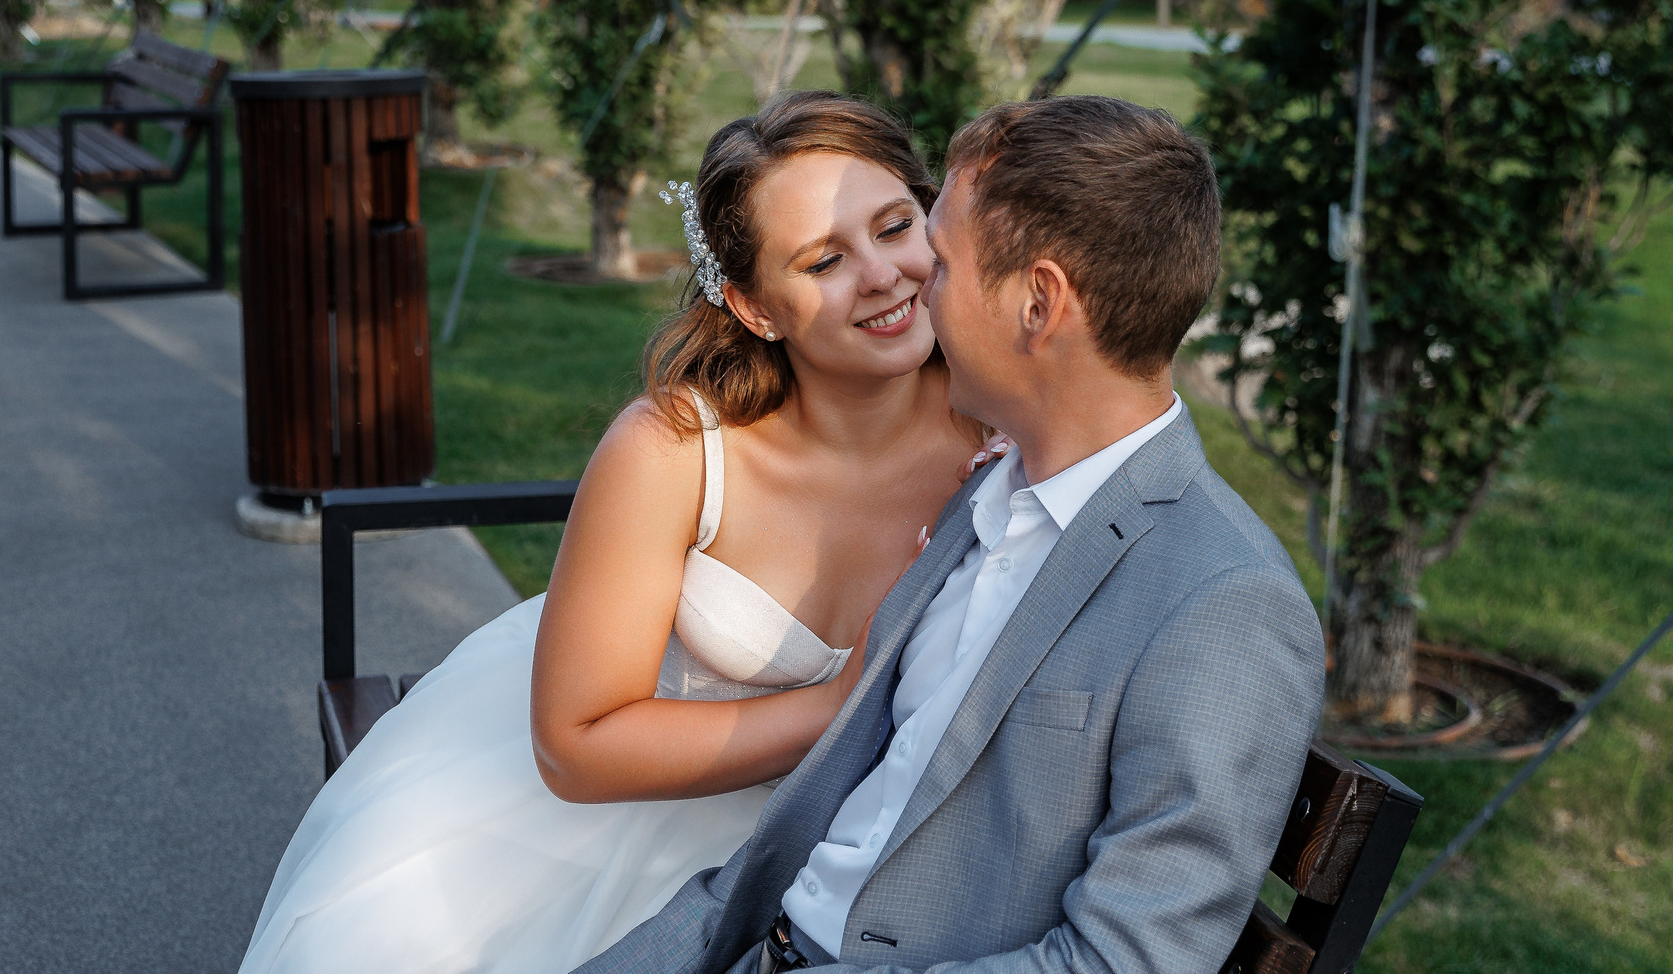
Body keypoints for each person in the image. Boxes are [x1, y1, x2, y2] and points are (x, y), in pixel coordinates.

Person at [238, 92, 988, 974]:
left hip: (880, 841)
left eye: (895, 225)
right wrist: (833, 707)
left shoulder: (1003, 422)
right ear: (754, 308)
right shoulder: (673, 450)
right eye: (824, 259)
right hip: (632, 816)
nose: (883, 274)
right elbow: (577, 745)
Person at [575, 94, 1324, 974]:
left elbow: (1128, 963)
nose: (908, 283)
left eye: (940, 261)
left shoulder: (1224, 603)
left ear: (1040, 303)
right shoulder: (991, 488)